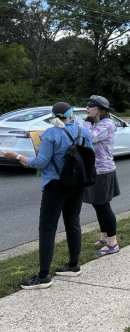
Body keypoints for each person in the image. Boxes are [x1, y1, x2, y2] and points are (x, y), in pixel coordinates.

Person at [2, 102, 93, 289]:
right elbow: (90, 155)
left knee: (47, 228)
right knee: (73, 222)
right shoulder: (82, 131)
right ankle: (73, 265)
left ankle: (43, 276)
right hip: (78, 184)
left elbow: (41, 163)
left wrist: (17, 156)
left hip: (55, 185)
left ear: (53, 115)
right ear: (71, 115)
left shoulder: (50, 133)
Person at [82, 95, 121, 255]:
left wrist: (85, 123)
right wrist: (88, 122)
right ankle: (104, 236)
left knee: (103, 206)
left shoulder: (107, 124)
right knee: (97, 205)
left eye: (91, 105)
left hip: (103, 171)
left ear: (100, 109)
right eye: (87, 105)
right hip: (93, 170)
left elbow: (88, 137)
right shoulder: (94, 123)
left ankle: (113, 243)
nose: (87, 108)